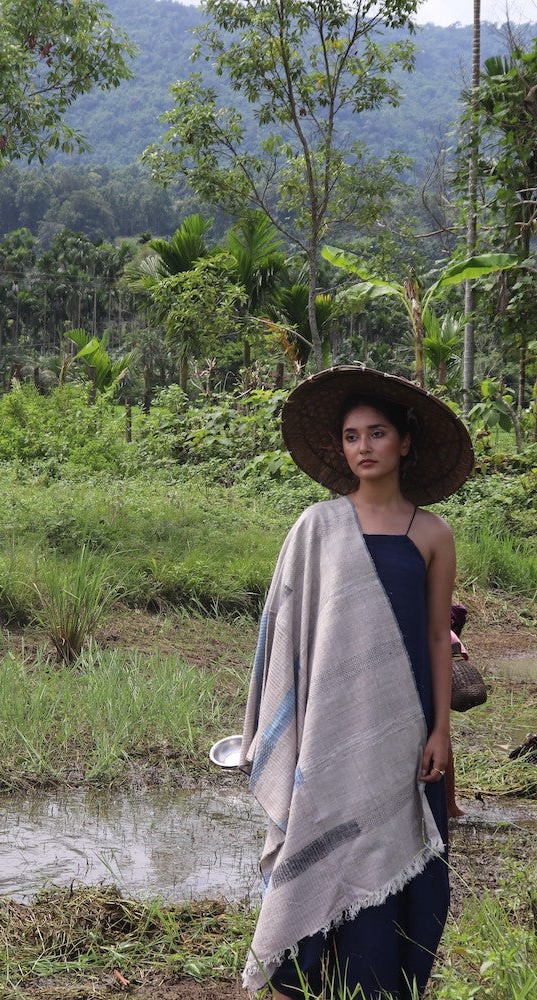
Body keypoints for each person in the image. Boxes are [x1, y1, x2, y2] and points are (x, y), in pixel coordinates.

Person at [240, 367, 474, 999]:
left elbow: (435, 639)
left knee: (400, 854)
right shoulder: (316, 527)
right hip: (329, 720)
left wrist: (442, 731)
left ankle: (379, 983)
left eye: (377, 433)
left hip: (408, 722)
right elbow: (289, 634)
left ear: (405, 443)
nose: (363, 447)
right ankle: (302, 976)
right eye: (351, 436)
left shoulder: (432, 535)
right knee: (322, 832)